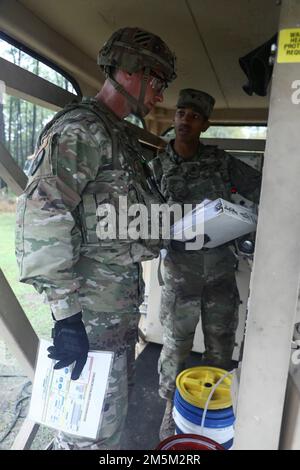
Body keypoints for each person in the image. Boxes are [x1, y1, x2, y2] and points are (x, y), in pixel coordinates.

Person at [15, 27, 176, 450]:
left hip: (116, 314)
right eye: (157, 82)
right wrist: (66, 317)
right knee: (89, 434)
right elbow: (42, 217)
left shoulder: (119, 135)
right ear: (128, 73)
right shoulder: (83, 130)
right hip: (87, 319)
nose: (160, 96)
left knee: (109, 426)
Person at [151, 88, 261, 440]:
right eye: (181, 113)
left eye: (194, 116)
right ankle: (170, 411)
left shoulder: (221, 162)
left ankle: (212, 409)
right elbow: (144, 216)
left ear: (205, 125)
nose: (185, 120)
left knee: (220, 341)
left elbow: (262, 186)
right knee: (175, 344)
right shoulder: (155, 167)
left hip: (219, 271)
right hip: (180, 272)